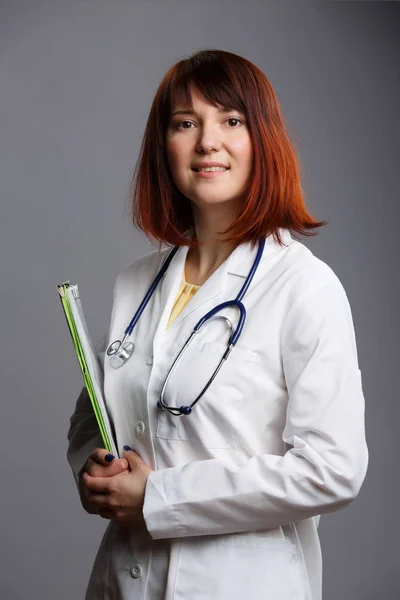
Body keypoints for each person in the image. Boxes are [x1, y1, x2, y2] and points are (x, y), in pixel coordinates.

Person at [67, 49, 368, 600]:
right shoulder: (135, 284)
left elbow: (334, 469)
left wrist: (157, 497)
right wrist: (95, 474)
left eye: (232, 121)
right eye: (186, 123)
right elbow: (95, 420)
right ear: (165, 145)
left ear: (264, 140)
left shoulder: (304, 285)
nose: (208, 141)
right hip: (122, 578)